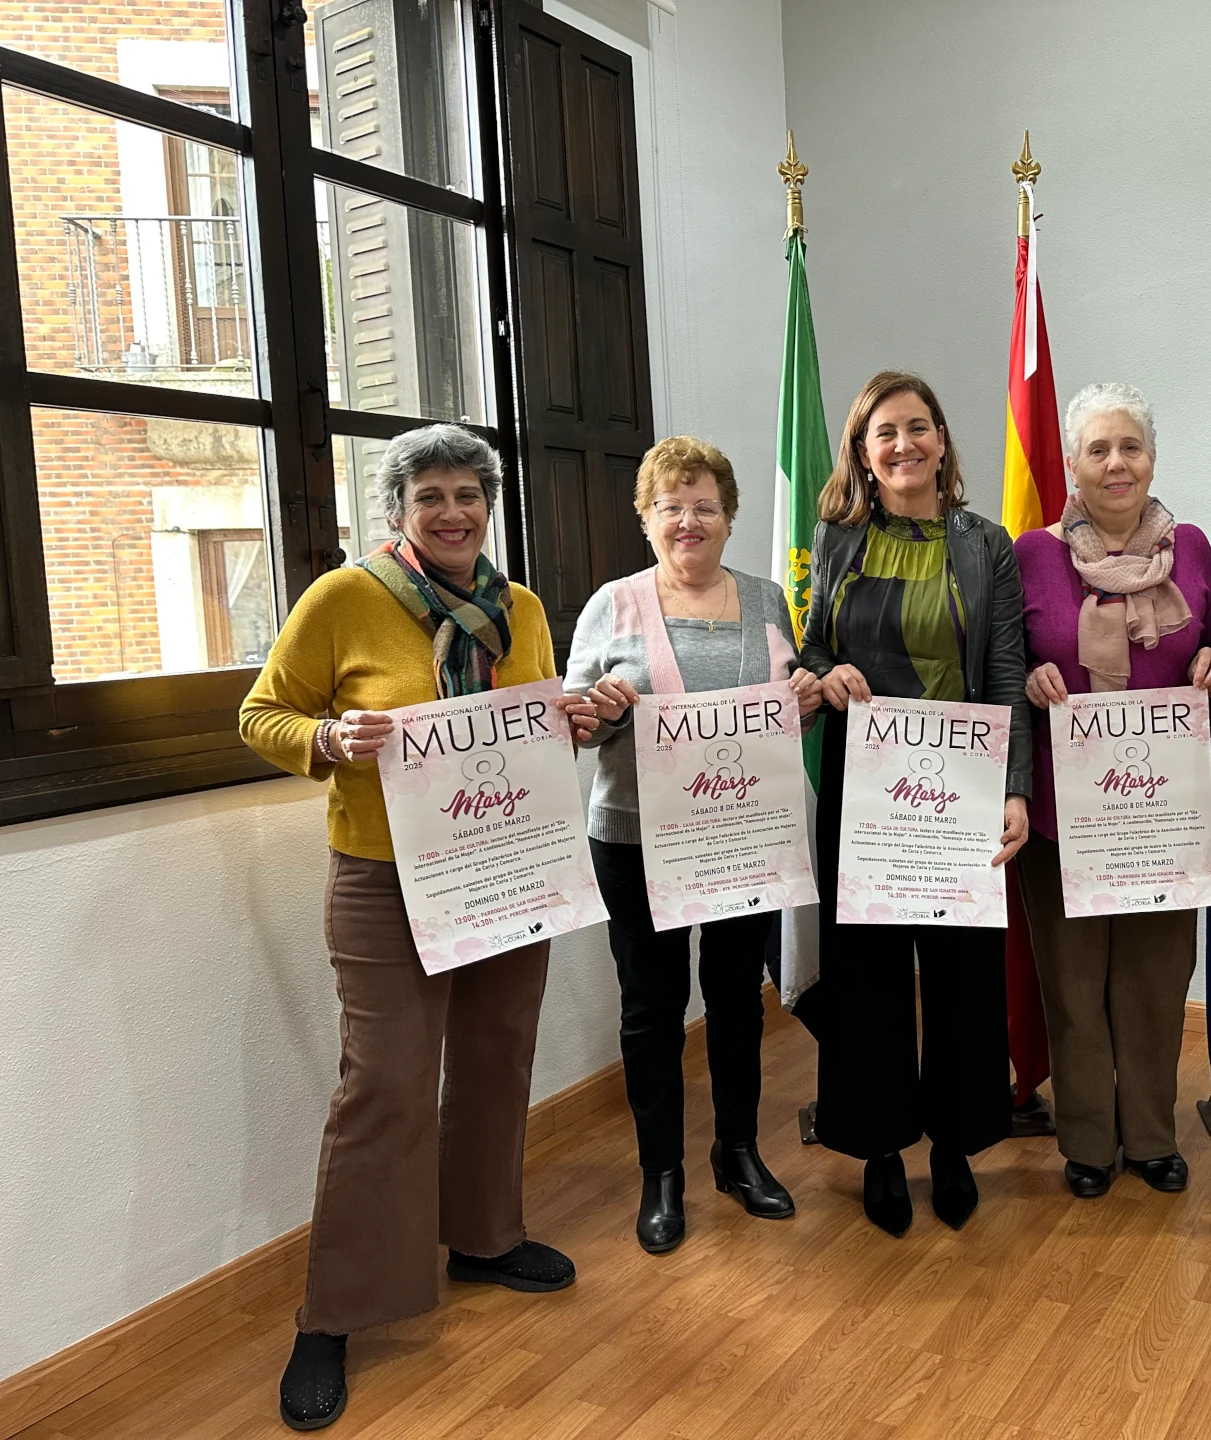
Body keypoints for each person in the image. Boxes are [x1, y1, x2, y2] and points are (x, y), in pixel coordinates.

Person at [239, 425, 599, 1432]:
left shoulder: (517, 607)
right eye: (430, 495)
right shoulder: (345, 599)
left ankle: (485, 1239)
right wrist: (324, 736)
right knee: (385, 1086)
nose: (452, 512)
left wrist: (572, 718)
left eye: (468, 496)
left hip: (506, 862)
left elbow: (530, 712)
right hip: (385, 880)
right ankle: (335, 1312)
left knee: (495, 1057)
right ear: (397, 509)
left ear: (489, 507)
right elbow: (261, 713)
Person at [564, 435, 821, 1255]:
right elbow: (573, 724)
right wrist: (598, 708)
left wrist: (805, 701)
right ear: (645, 517)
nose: (689, 521)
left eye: (705, 506)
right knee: (652, 1009)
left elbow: (784, 707)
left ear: (729, 517)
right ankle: (661, 1174)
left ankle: (737, 1152)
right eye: (670, 506)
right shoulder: (612, 604)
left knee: (737, 999)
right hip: (637, 838)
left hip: (741, 833)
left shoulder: (770, 599)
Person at [798, 370, 1031, 1237]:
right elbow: (812, 648)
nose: (904, 445)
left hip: (962, 789)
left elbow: (1005, 669)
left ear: (942, 440)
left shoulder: (986, 543)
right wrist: (824, 675)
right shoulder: (834, 538)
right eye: (885, 432)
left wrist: (1014, 786)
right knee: (868, 978)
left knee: (965, 975)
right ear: (863, 450)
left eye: (918, 428)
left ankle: (956, 1145)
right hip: (866, 790)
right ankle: (883, 1146)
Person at [1015, 382, 1211, 1199]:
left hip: (1164, 812)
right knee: (1072, 984)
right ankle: (1088, 1142)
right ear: (1071, 464)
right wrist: (1027, 675)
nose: (1115, 463)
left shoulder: (1196, 549)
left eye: (1130, 448)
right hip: (1061, 814)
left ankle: (1149, 1135)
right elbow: (1001, 658)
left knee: (1153, 978)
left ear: (1151, 459)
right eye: (1097, 449)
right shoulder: (1029, 554)